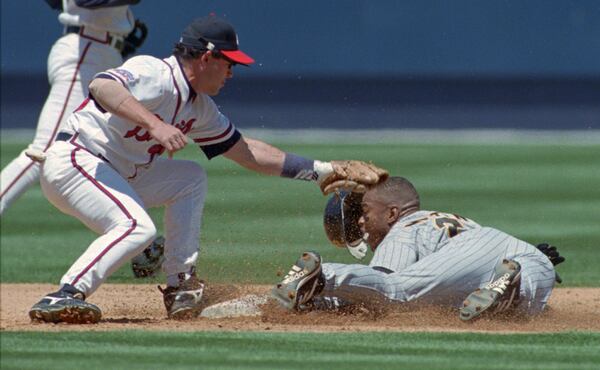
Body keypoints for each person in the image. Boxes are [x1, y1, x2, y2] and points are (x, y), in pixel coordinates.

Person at [27, 15, 388, 324]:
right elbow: (101, 86)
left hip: (119, 174)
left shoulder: (200, 109)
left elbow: (248, 153)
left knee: (189, 178)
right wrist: (154, 125)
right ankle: (65, 293)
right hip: (76, 159)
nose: (232, 72)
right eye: (229, 63)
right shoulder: (155, 72)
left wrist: (322, 170)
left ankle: (180, 286)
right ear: (206, 57)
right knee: (137, 227)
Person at [273, 177, 564, 321]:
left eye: (366, 212)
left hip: (475, 253)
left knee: (397, 292)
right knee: (521, 313)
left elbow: (384, 292)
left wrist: (324, 302)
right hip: (526, 256)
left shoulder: (403, 230)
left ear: (392, 213)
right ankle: (512, 287)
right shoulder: (442, 219)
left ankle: (324, 277)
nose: (361, 221)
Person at [0, 0, 146, 215]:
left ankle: (131, 233)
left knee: (107, 154)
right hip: (86, 50)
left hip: (100, 48)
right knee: (44, 150)